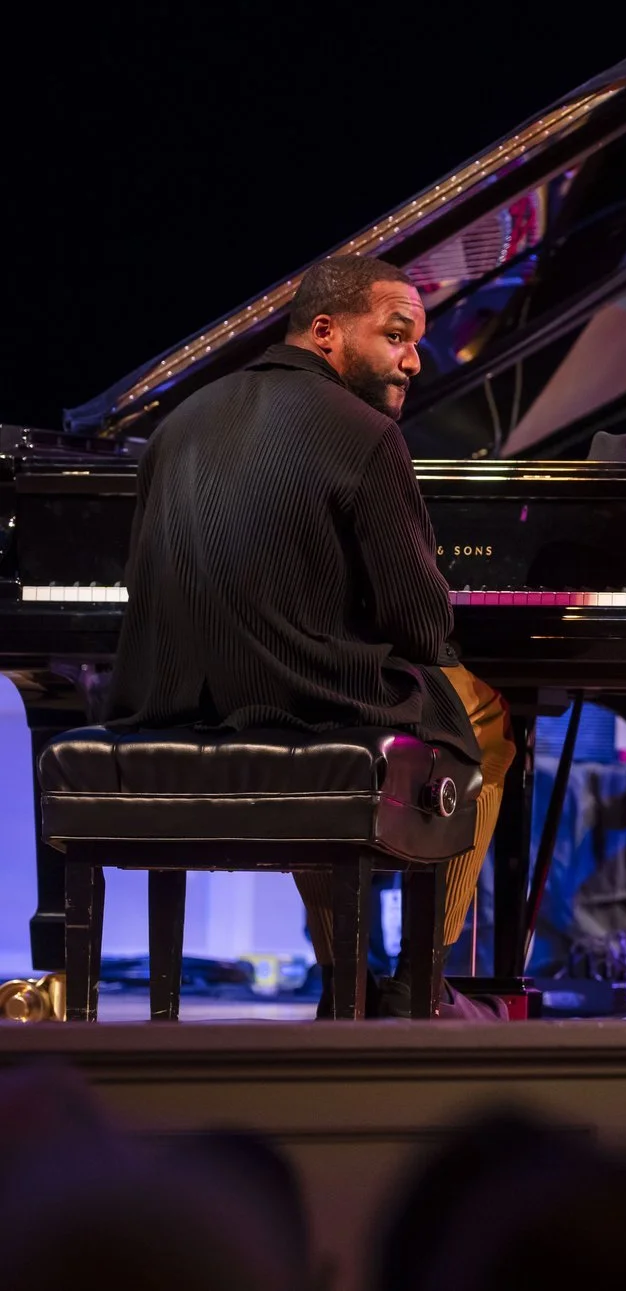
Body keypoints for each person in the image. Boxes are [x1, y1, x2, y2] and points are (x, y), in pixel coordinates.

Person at [106, 254, 514, 1015]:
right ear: (325, 330)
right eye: (396, 335)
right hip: (301, 703)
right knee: (481, 715)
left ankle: (344, 979)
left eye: (416, 341)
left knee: (321, 728)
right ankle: (421, 977)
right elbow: (423, 626)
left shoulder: (177, 423)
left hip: (164, 706)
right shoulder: (365, 432)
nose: (412, 358)